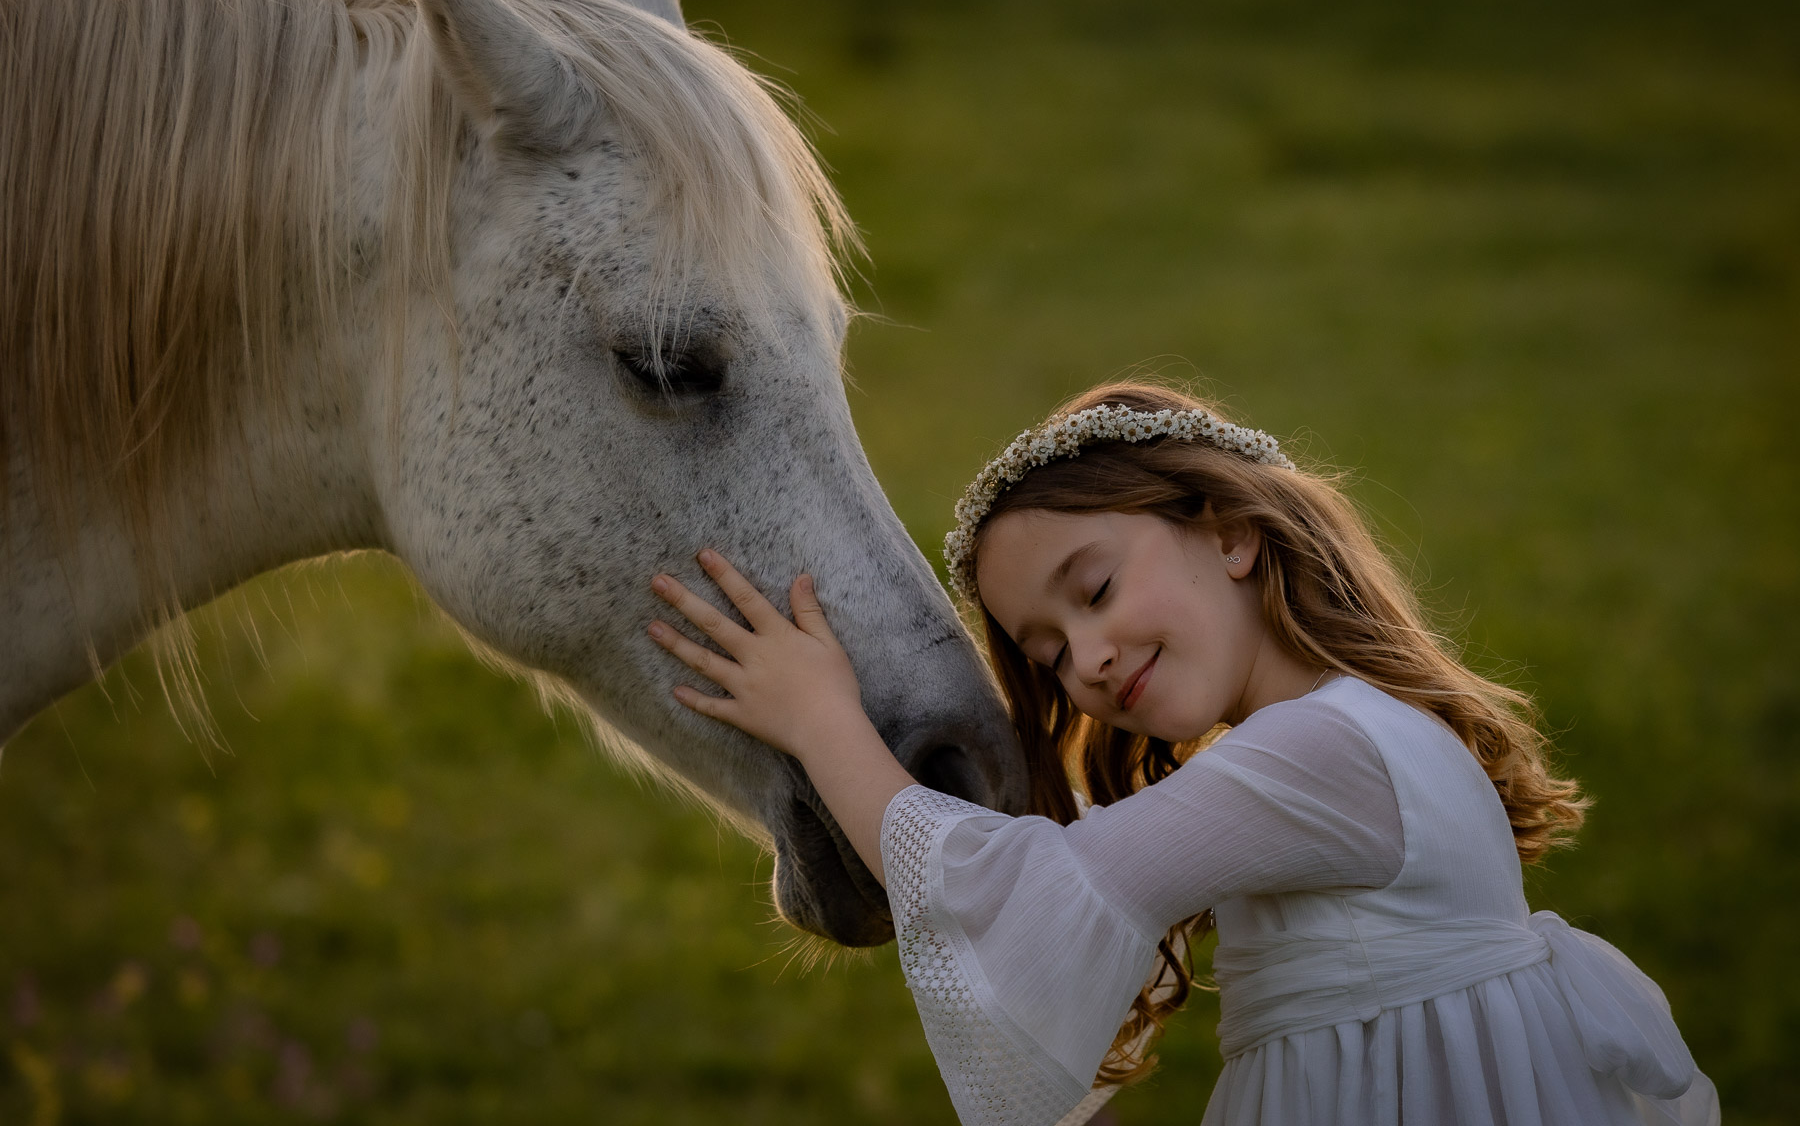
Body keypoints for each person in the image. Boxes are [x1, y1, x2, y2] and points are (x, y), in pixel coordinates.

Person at [645, 380, 1718, 1126]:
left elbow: (1031, 892)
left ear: (1231, 533)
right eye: (1050, 654)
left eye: (1098, 589)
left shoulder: (1323, 753)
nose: (1093, 662)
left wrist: (820, 719)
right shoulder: (1344, 731)